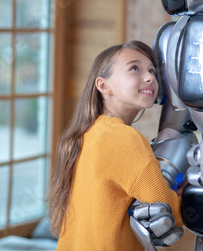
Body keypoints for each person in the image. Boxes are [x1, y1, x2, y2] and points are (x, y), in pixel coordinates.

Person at [47, 40, 183, 251]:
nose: (149, 77)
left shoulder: (86, 133)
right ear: (103, 86)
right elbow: (168, 212)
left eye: (152, 71)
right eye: (134, 68)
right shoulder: (124, 138)